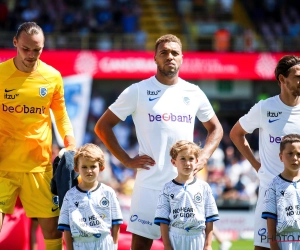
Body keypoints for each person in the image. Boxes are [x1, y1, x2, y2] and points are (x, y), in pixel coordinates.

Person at [94, 34, 223, 250]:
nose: (169, 57)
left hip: (184, 186)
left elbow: (216, 129)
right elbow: (102, 126)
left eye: (174, 53)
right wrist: (126, 160)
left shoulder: (194, 92)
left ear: (182, 58)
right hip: (149, 184)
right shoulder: (137, 91)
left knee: (186, 244)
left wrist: (204, 156)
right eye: (164, 52)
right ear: (155, 58)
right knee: (141, 244)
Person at [0, 22, 76, 250]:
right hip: (3, 167)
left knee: (52, 231)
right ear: (15, 43)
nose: (31, 55)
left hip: (39, 166)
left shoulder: (52, 77)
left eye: (37, 49)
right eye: (26, 49)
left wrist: (70, 144)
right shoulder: (1, 74)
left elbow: (61, 116)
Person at [229, 55, 300, 250]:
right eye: (297, 76)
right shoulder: (265, 108)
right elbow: (236, 133)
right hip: (270, 192)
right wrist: (257, 166)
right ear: (282, 80)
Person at [154, 140, 219, 250]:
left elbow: (210, 218)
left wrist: (208, 245)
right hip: (175, 237)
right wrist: (167, 245)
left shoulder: (204, 187)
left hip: (197, 237)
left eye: (191, 159)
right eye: (182, 159)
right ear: (174, 162)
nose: (187, 163)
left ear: (196, 161)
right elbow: (163, 220)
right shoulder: (167, 188)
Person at [57, 143, 123, 250]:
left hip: (104, 244)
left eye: (93, 166)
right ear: (76, 168)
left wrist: (114, 246)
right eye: (84, 167)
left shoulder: (108, 192)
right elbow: (66, 228)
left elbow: (116, 223)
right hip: (80, 245)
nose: (89, 171)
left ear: (101, 168)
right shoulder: (70, 196)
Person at [262, 134, 300, 250]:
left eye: (298, 154)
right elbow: (270, 218)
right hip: (285, 240)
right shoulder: (274, 185)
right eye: (290, 153)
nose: (295, 158)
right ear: (281, 156)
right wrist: (273, 245)